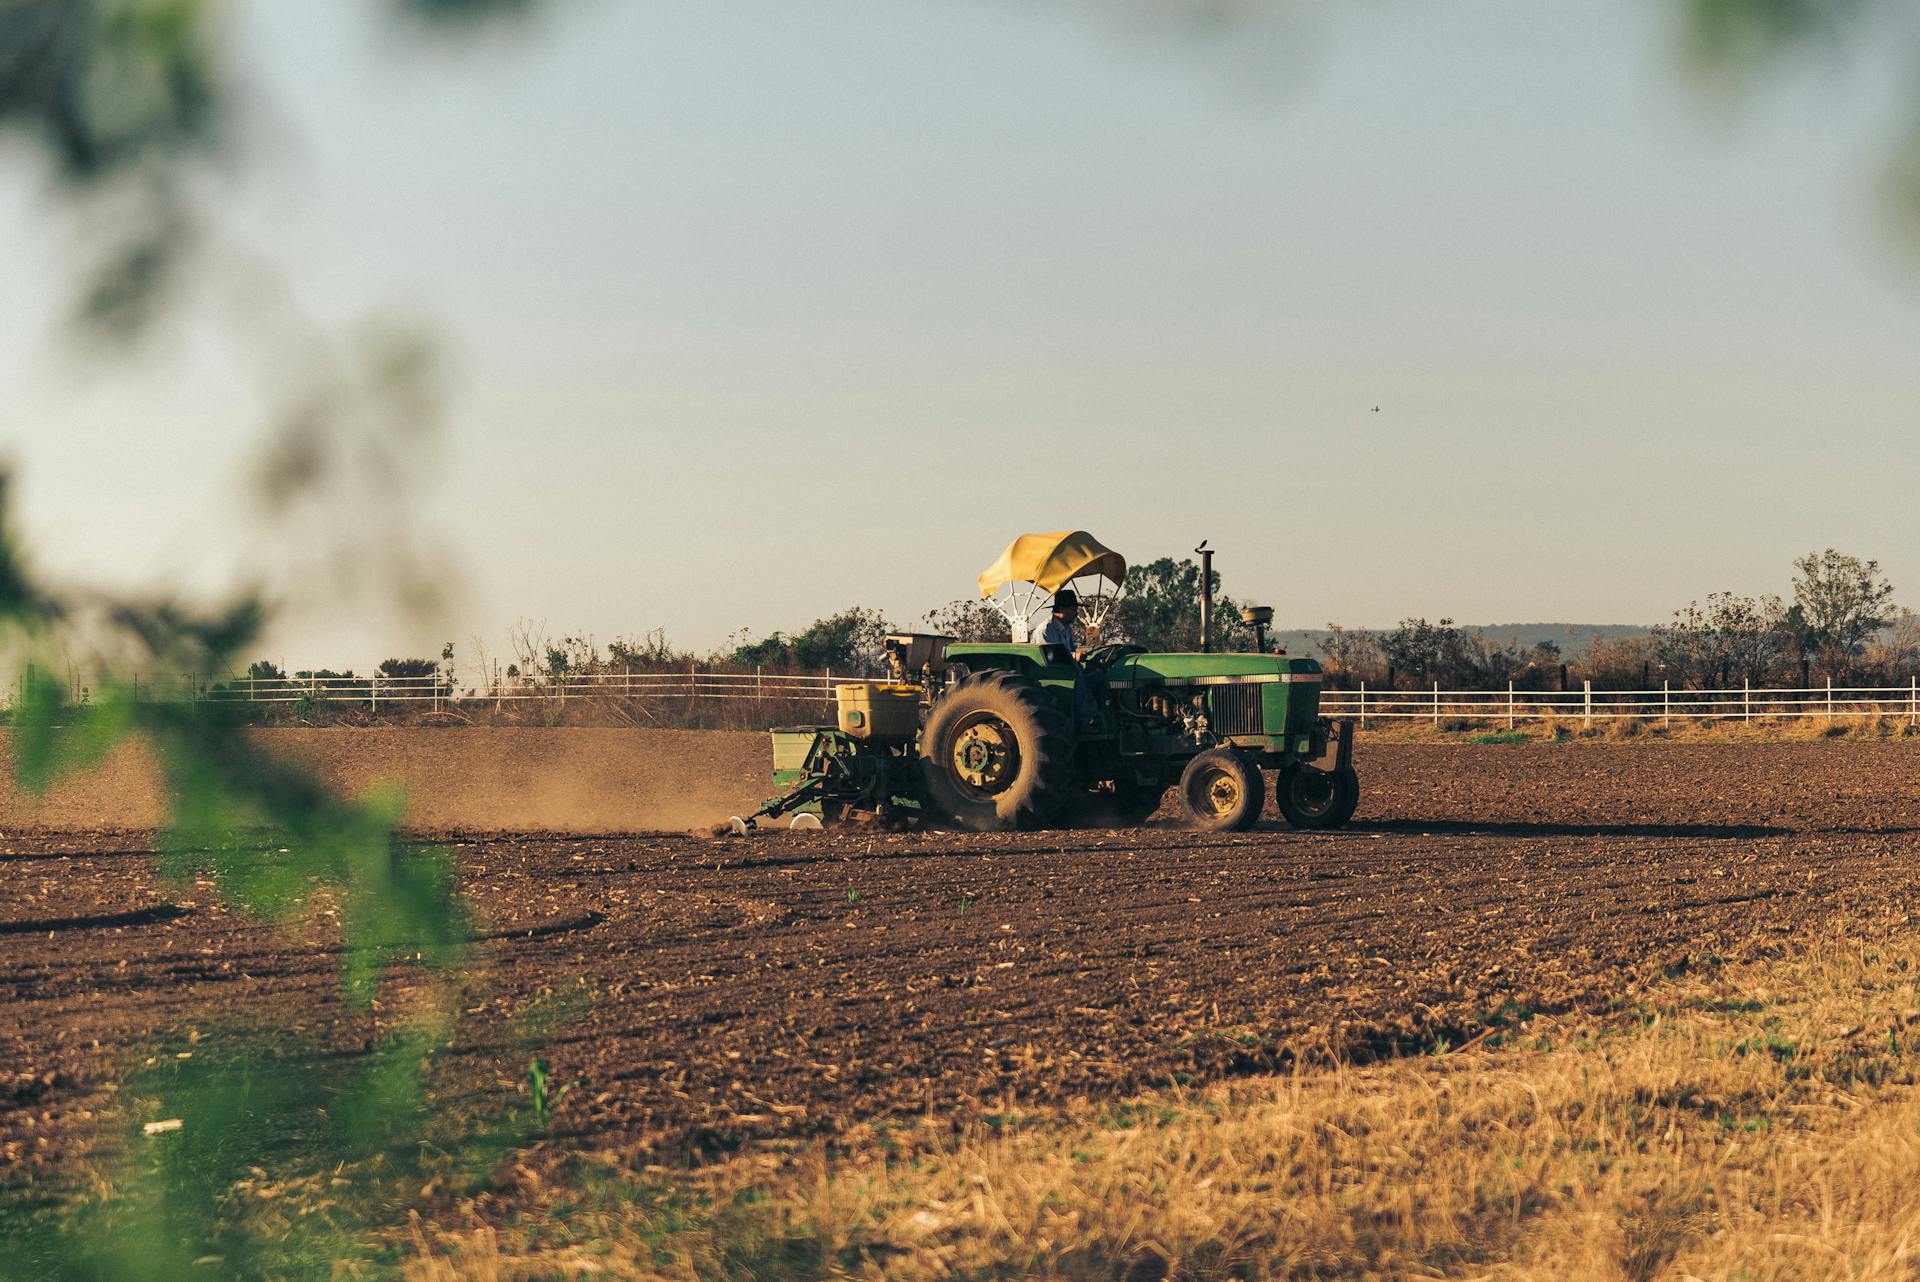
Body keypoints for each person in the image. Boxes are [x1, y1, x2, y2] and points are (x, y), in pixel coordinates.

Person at [1040, 590, 1099, 726]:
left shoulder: (1066, 629)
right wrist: (1074, 656)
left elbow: (1071, 650)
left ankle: (1099, 717)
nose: (1076, 614)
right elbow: (1050, 655)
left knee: (1098, 675)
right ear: (1061, 609)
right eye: (1073, 609)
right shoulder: (1045, 630)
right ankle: (1083, 721)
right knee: (1077, 676)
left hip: (1068, 668)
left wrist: (1081, 654)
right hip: (1052, 672)